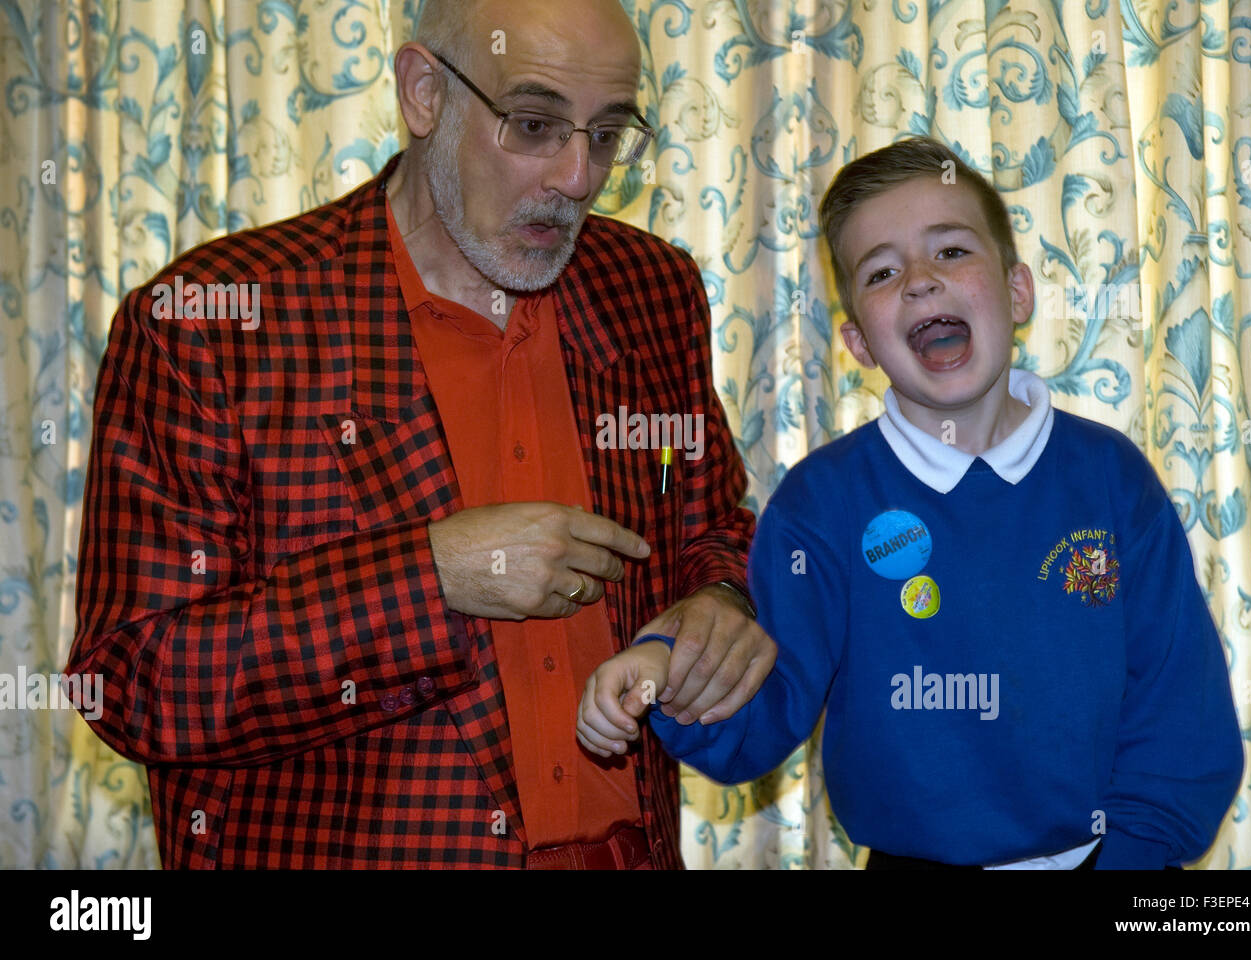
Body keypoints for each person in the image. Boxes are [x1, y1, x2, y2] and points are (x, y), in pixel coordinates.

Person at [66, 0, 776, 869]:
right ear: (423, 92)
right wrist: (431, 575)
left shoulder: (650, 289)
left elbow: (713, 530)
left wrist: (721, 605)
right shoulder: (215, 326)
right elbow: (134, 681)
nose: (579, 175)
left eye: (607, 134)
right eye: (535, 123)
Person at [577, 136, 1245, 869]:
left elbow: (1183, 720)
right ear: (859, 341)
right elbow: (760, 707)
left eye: (952, 251)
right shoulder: (820, 503)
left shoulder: (1111, 478)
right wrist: (670, 668)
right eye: (884, 271)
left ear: (1018, 291)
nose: (922, 282)